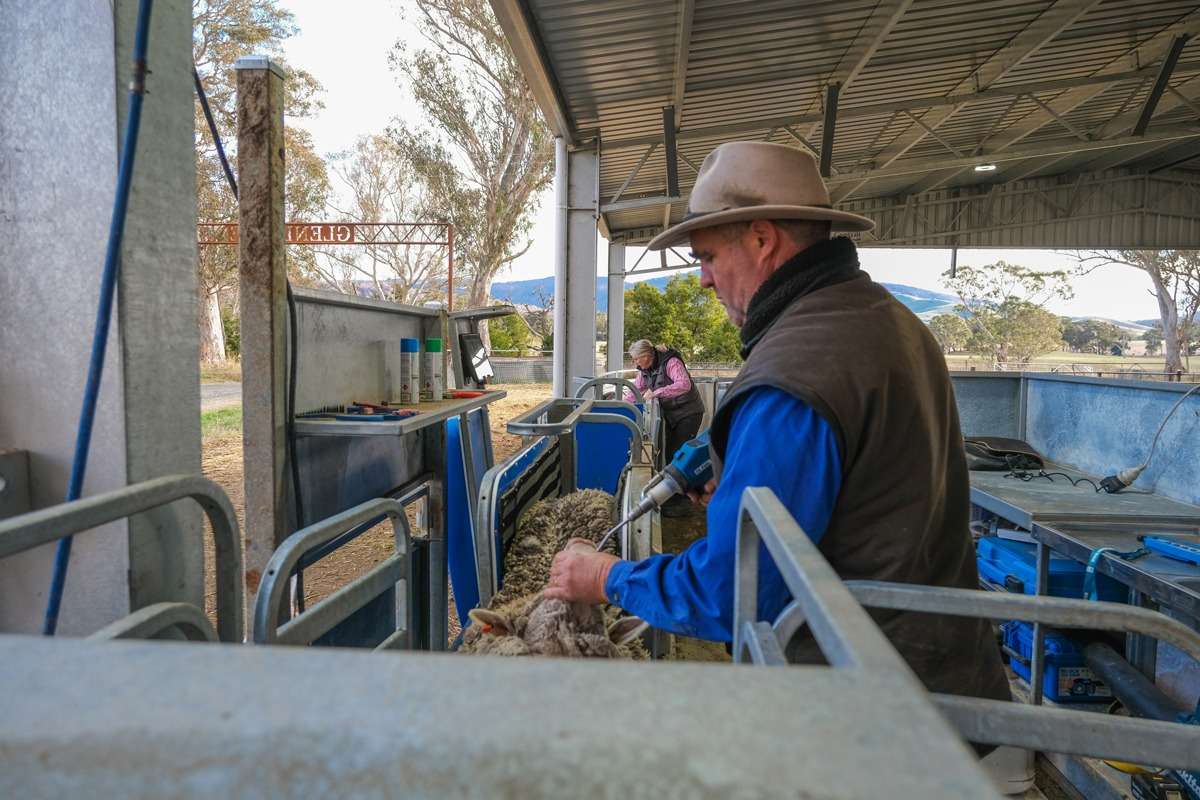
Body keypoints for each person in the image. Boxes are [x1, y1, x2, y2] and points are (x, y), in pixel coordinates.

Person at [546, 141, 1010, 712]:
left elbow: (730, 592)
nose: (703, 282)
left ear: (763, 240)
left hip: (865, 713)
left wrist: (607, 577)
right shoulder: (891, 323)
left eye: (708, 257)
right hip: (946, 683)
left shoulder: (796, 371)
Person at [622, 340, 704, 515]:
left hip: (688, 412)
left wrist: (657, 392)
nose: (634, 363)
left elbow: (684, 384)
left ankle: (682, 503)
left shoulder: (671, 362)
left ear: (646, 356)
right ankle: (674, 496)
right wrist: (621, 406)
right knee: (671, 454)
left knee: (680, 454)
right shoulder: (644, 370)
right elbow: (635, 392)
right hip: (672, 414)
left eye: (636, 359)